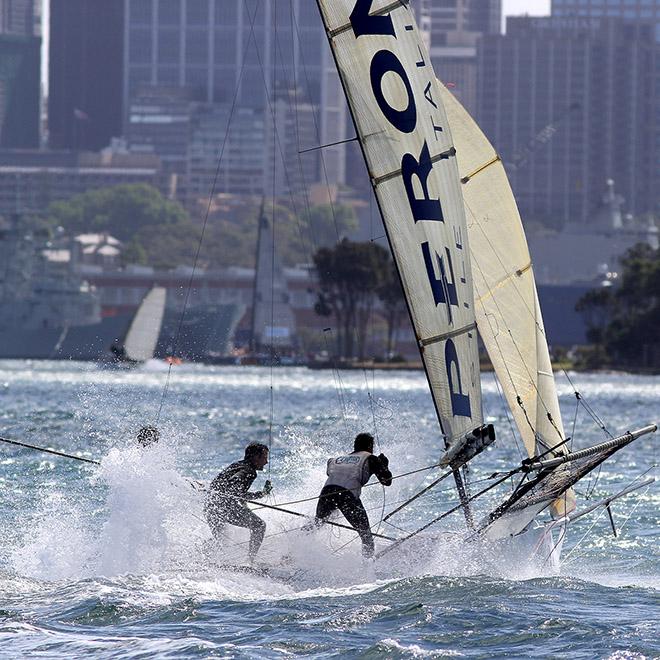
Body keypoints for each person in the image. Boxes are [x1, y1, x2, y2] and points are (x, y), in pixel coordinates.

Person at [315, 432, 392, 558]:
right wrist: (384, 465)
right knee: (366, 536)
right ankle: (367, 569)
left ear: (355, 446)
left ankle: (292, 549)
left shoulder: (336, 459)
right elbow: (387, 481)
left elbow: (331, 474)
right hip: (346, 495)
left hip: (327, 492)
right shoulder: (371, 458)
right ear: (370, 446)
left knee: (316, 524)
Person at [204, 442, 272, 563]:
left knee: (221, 541)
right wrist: (260, 494)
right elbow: (234, 485)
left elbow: (233, 491)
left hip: (210, 506)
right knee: (260, 526)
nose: (266, 462)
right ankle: (250, 561)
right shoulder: (249, 471)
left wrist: (244, 504)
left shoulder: (237, 464)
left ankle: (203, 556)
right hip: (223, 508)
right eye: (264, 457)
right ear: (255, 457)